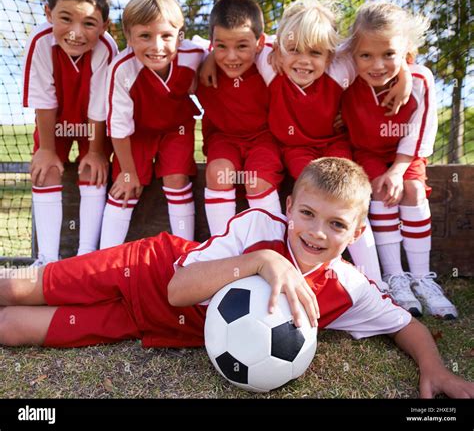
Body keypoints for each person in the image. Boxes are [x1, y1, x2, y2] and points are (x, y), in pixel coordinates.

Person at [0, 158, 471, 399]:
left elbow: (402, 325)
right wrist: (262, 263)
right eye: (306, 213)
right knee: (17, 287)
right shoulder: (257, 228)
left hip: (153, 326)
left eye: (336, 224)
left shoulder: (348, 287)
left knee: (14, 329)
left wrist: (434, 368)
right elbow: (177, 289)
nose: (315, 231)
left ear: (358, 232)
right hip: (145, 269)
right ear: (288, 208)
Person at [200, 0, 412, 291]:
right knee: (315, 191)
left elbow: (376, 54)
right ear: (280, 50)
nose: (303, 60)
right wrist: (211, 56)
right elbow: (235, 45)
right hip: (296, 149)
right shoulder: (270, 63)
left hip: (334, 146)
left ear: (329, 55)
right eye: (294, 50)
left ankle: (374, 283)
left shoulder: (340, 68)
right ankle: (260, 263)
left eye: (314, 52)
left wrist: (405, 74)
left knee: (348, 197)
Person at [341, 1, 457, 319]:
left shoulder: (420, 80)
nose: (377, 65)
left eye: (388, 54)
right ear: (354, 52)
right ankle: (395, 278)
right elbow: (320, 48)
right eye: (367, 55)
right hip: (366, 153)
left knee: (413, 192)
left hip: (405, 154)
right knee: (380, 189)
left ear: (405, 50)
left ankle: (421, 278)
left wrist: (399, 169)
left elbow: (420, 133)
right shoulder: (348, 70)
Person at [22, 0, 118, 265]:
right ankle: (47, 260)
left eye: (89, 23)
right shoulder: (40, 42)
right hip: (56, 121)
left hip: (94, 124)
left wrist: (97, 151)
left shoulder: (106, 48)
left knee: (93, 169)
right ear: (49, 13)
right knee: (45, 169)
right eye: (66, 18)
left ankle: (87, 256)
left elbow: (101, 106)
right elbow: (44, 99)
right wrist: (48, 150)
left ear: (104, 26)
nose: (76, 33)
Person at [99, 0, 204, 248]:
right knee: (126, 187)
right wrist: (127, 171)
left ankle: (185, 254)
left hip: (176, 129)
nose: (157, 46)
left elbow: (211, 49)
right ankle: (104, 257)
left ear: (180, 36)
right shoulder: (122, 69)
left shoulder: (195, 55)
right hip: (136, 133)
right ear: (129, 36)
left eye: (166, 36)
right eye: (145, 36)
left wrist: (210, 64)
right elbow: (119, 128)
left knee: (176, 179)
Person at [194, 0, 284, 236]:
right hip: (224, 138)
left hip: (265, 138)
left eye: (242, 46)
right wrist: (210, 56)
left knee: (256, 180)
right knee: (217, 173)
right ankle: (222, 249)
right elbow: (193, 44)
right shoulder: (202, 62)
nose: (231, 56)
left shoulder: (270, 59)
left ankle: (273, 246)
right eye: (221, 46)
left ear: (259, 42)